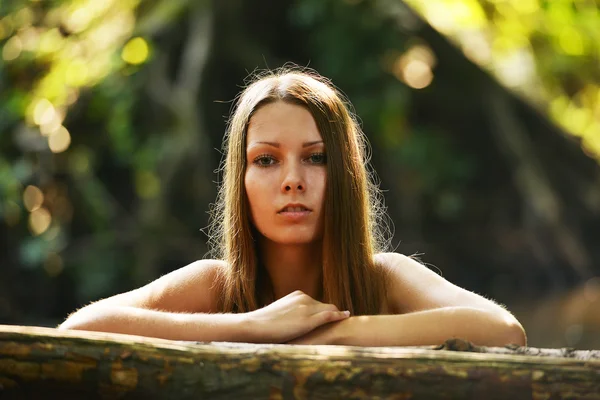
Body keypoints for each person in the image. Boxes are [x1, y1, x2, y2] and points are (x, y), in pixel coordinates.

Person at [58, 67, 527, 347]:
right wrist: (252, 328)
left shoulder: (383, 278)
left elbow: (503, 330)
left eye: (315, 158)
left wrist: (332, 335)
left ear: (344, 174)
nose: (292, 181)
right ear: (240, 180)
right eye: (266, 160)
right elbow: (79, 330)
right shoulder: (216, 286)